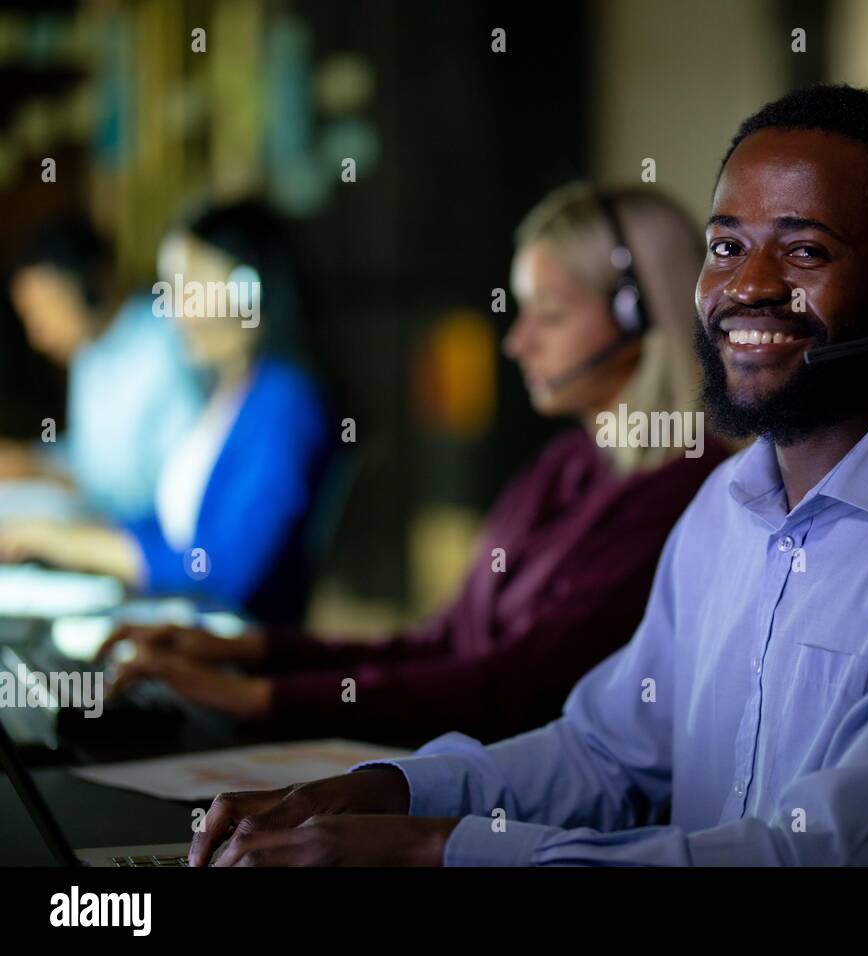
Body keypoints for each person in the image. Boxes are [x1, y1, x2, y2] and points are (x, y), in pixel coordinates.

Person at [185, 85, 868, 867]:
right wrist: (381, 793)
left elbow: (828, 862)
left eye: (805, 251)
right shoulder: (729, 506)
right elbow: (605, 752)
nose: (749, 285)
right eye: (727, 246)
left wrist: (435, 849)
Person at [98, 184, 727, 739]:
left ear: (637, 317)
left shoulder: (678, 492)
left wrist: (262, 698)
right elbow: (443, 642)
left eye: (551, 314)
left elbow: (513, 692)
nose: (517, 341)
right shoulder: (565, 463)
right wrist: (249, 652)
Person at [0, 200, 333, 626]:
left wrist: (69, 543)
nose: (173, 311)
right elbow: (173, 526)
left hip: (226, 648)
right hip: (184, 624)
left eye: (188, 286)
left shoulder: (285, 406)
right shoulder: (235, 396)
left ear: (247, 290)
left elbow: (224, 567)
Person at [0, 217, 203, 522]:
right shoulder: (89, 349)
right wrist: (28, 460)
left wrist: (45, 472)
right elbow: (91, 455)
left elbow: (167, 492)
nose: (38, 336)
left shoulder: (168, 346)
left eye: (46, 309)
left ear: (92, 281)